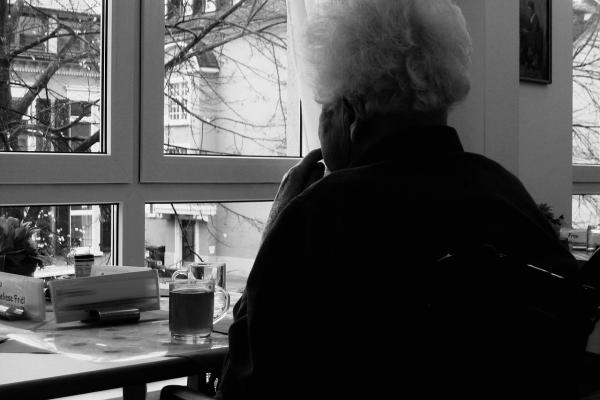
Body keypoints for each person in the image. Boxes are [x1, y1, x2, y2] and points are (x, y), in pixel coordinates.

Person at [162, 1, 594, 399]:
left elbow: (248, 386)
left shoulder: (321, 215)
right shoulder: (504, 193)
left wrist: (280, 220)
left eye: (325, 107)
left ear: (351, 115)